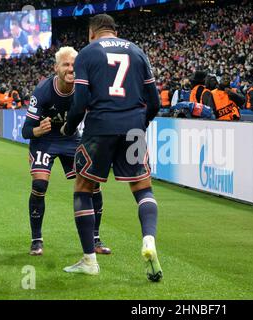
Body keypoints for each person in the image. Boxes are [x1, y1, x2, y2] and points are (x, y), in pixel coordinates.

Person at [60, 14, 162, 280]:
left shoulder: (87, 53)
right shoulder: (138, 52)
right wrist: (141, 122)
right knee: (143, 188)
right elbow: (154, 102)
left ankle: (89, 261)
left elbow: (80, 101)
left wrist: (69, 128)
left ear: (92, 32)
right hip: (134, 127)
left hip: (100, 127)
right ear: (115, 31)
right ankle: (149, 240)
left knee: (83, 188)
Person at [21, 47, 111, 257]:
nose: (71, 69)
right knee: (39, 184)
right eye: (66, 64)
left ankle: (95, 239)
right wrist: (37, 130)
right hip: (45, 140)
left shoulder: (84, 89)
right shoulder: (42, 91)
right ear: (56, 68)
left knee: (93, 185)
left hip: (71, 139)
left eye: (74, 65)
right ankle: (36, 240)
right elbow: (26, 131)